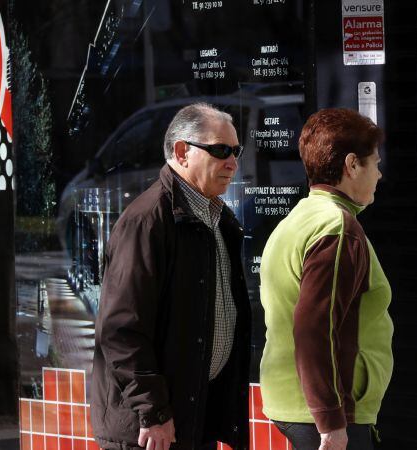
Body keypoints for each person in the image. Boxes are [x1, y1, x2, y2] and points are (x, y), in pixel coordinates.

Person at [91, 102, 251, 450]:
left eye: (236, 151)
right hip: (150, 431)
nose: (233, 162)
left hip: (192, 418)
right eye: (221, 150)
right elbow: (120, 331)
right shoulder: (147, 221)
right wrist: (154, 412)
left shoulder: (217, 219)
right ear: (182, 152)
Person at [259, 108, 393, 450]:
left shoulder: (300, 218)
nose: (379, 174)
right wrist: (331, 420)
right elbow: (314, 328)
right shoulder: (336, 227)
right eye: (375, 163)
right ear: (351, 165)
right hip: (327, 413)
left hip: (305, 406)